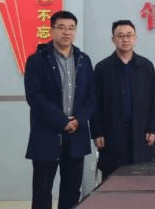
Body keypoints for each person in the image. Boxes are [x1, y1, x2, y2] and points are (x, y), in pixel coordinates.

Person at [24, 10, 95, 209]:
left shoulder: (84, 60)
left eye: (71, 28)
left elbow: (92, 98)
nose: (66, 32)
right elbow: (35, 97)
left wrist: (78, 120)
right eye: (61, 27)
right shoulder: (37, 60)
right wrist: (62, 121)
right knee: (42, 191)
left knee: (72, 191)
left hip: (76, 134)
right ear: (51, 30)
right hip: (47, 134)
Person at [91, 20, 155, 179]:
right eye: (120, 36)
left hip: (141, 133)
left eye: (129, 35)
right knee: (113, 179)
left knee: (141, 178)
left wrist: (153, 128)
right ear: (113, 39)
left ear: (135, 38)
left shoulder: (146, 66)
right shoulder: (102, 68)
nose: (125, 39)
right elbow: (95, 103)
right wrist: (97, 132)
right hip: (112, 133)